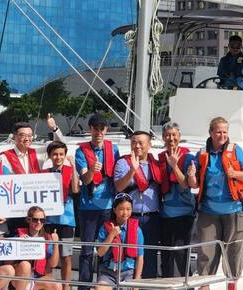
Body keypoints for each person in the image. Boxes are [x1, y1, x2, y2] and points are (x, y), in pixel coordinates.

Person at [191, 117, 243, 290]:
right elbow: (194, 183)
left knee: (233, 251)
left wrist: (234, 173)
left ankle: (232, 286)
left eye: (225, 131)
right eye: (218, 131)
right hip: (208, 210)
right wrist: (190, 175)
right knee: (206, 251)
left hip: (235, 209)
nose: (222, 135)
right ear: (211, 133)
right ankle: (204, 286)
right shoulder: (202, 153)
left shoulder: (235, 150)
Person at [74, 114, 120, 290]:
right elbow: (85, 180)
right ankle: (84, 287)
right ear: (90, 129)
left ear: (106, 130)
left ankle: (103, 284)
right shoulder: (80, 151)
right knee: (86, 251)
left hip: (108, 208)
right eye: (95, 128)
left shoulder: (114, 149)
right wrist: (92, 171)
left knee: (106, 248)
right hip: (88, 208)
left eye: (102, 128)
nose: (98, 132)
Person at [114, 130, 161, 278]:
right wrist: (133, 171)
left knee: (150, 256)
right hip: (130, 218)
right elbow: (119, 187)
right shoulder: (123, 163)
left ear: (149, 145)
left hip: (151, 217)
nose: (137, 146)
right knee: (129, 255)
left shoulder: (156, 164)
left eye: (141, 142)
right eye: (134, 142)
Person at [157, 122, 197, 278]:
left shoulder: (188, 158)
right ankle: (166, 284)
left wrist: (174, 166)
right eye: (167, 135)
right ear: (163, 138)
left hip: (184, 214)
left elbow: (186, 184)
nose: (171, 138)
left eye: (174, 135)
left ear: (179, 137)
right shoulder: (160, 158)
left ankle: (187, 285)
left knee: (181, 254)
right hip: (165, 214)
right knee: (166, 255)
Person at [44, 140, 79, 290]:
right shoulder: (44, 174)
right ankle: (48, 285)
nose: (58, 157)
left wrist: (73, 167)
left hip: (67, 218)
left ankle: (66, 287)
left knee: (67, 256)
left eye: (61, 154)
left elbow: (76, 190)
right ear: (50, 156)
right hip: (48, 219)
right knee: (48, 254)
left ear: (65, 155)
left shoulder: (70, 171)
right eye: (55, 154)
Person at [95, 193, 144, 290]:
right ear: (114, 210)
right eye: (121, 209)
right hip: (108, 272)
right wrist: (112, 235)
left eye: (128, 209)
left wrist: (137, 279)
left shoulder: (137, 230)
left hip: (128, 273)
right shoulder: (104, 228)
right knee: (99, 288)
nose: (125, 213)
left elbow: (140, 257)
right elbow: (100, 253)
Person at [2, 122, 44, 233]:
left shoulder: (38, 154)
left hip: (35, 210)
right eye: (22, 135)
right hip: (15, 209)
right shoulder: (4, 157)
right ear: (14, 136)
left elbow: (60, 146)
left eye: (30, 135)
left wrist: (54, 129)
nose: (27, 139)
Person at [13, 206, 60, 290]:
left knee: (57, 285)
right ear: (28, 220)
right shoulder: (18, 236)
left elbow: (53, 264)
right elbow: (8, 262)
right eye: (35, 219)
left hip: (37, 278)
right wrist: (18, 243)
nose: (39, 222)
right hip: (19, 278)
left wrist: (56, 243)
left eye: (42, 220)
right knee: (25, 265)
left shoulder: (47, 238)